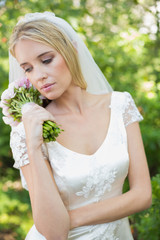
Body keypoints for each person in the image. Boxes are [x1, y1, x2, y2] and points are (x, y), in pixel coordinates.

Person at [9, 11, 152, 240]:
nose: (39, 76)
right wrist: (33, 145)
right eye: (28, 68)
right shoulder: (27, 132)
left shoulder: (120, 105)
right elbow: (54, 232)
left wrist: (70, 219)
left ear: (72, 51)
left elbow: (143, 194)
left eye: (46, 60)